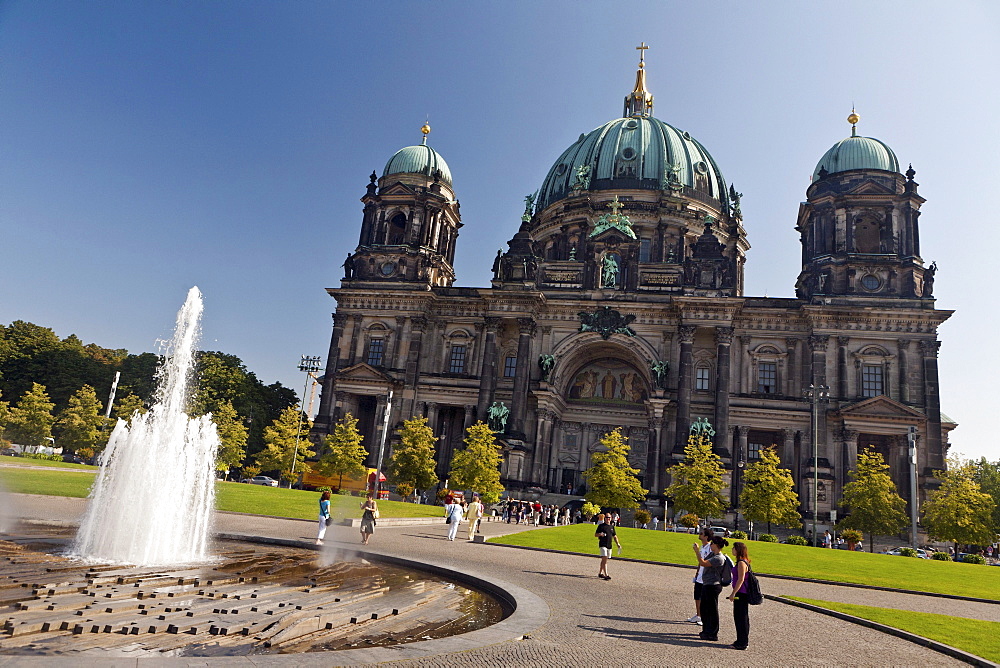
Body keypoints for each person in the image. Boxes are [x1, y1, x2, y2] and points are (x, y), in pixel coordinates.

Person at [692, 536, 729, 642]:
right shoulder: (713, 554)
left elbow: (703, 563)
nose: (710, 545)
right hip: (707, 584)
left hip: (713, 585)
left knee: (712, 610)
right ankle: (706, 630)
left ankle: (713, 633)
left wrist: (697, 552)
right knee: (705, 609)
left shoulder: (719, 558)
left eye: (712, 543)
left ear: (716, 545)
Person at [727, 541, 752, 650]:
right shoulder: (741, 562)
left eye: (734, 548)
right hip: (740, 593)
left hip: (741, 593)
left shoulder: (742, 562)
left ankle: (742, 642)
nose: (732, 550)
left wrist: (733, 593)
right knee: (739, 617)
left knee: (741, 618)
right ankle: (740, 640)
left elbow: (741, 579)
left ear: (738, 550)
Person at [687, 527, 714, 626]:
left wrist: (696, 551)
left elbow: (706, 562)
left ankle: (704, 617)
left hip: (706, 578)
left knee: (704, 598)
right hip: (700, 576)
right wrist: (697, 573)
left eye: (701, 533)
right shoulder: (703, 547)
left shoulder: (710, 548)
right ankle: (698, 615)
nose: (699, 534)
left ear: (706, 536)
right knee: (697, 596)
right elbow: (700, 561)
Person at [594, 513, 622, 580]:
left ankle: (600, 573)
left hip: (609, 545)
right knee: (605, 559)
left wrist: (618, 544)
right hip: (602, 545)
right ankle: (606, 575)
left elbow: (614, 536)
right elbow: (595, 535)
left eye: (609, 517)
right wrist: (600, 534)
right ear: (604, 518)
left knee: (604, 559)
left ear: (611, 518)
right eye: (606, 517)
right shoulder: (601, 526)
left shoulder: (612, 527)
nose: (608, 519)